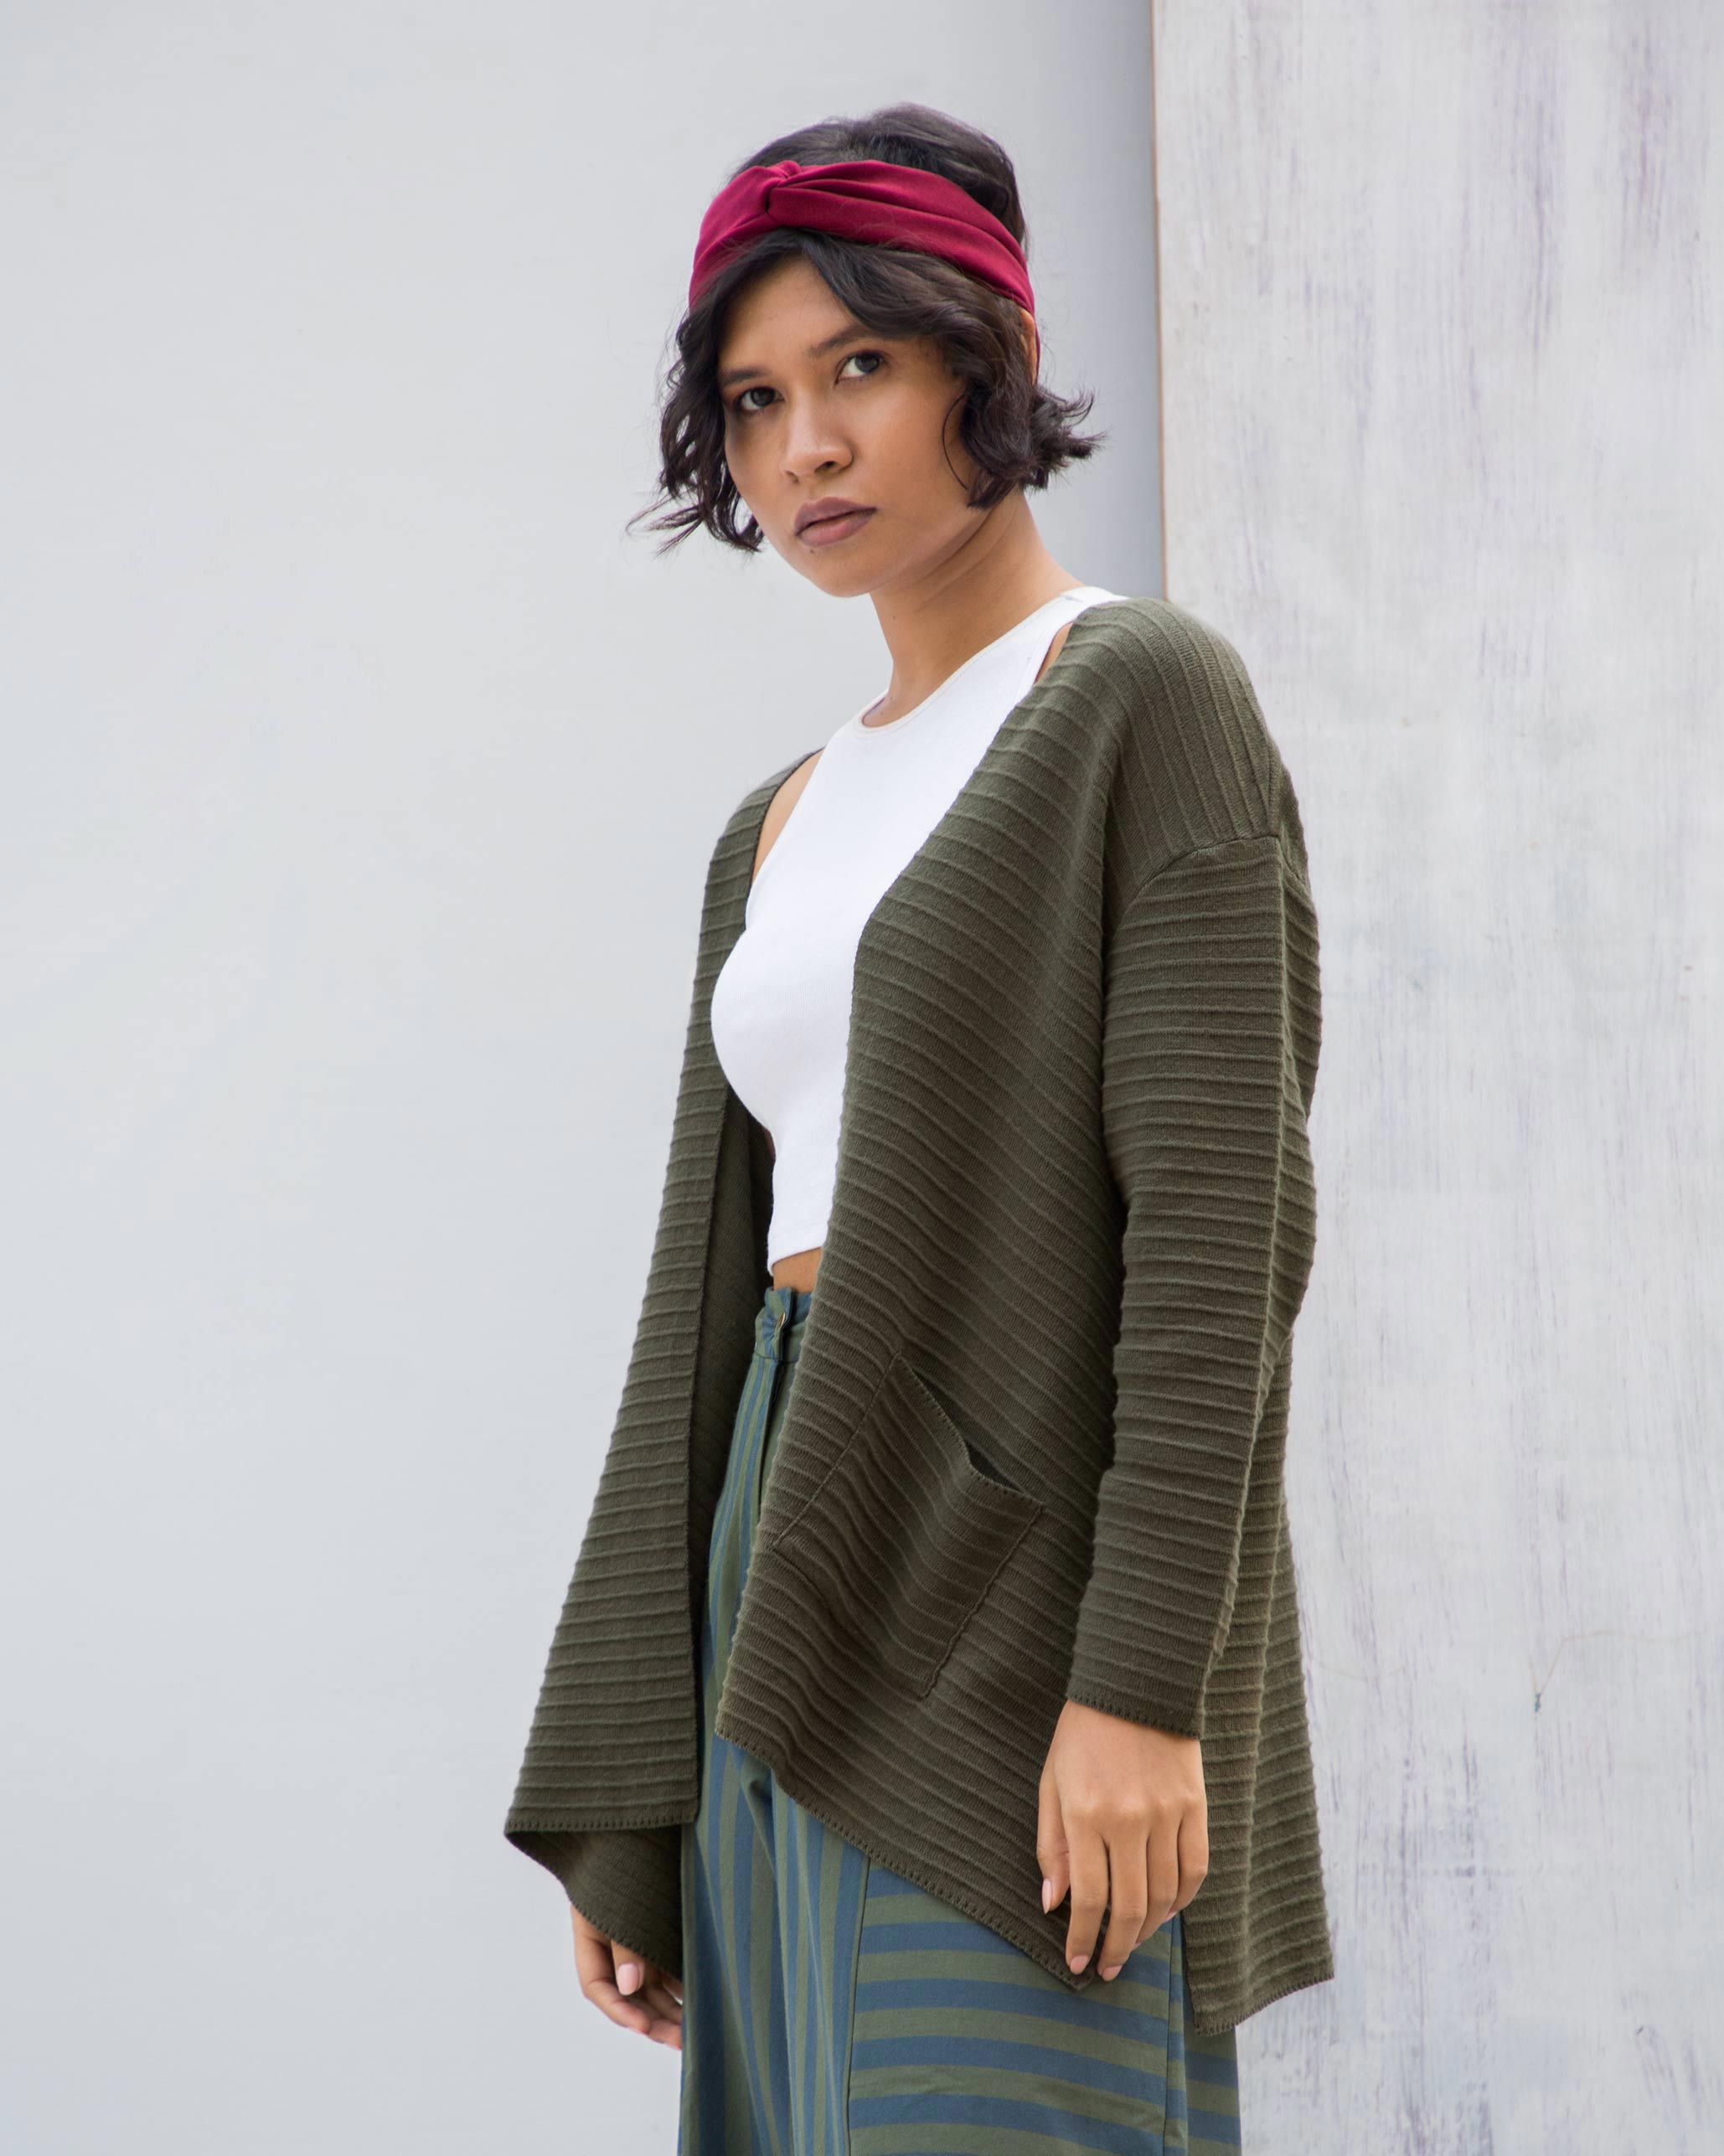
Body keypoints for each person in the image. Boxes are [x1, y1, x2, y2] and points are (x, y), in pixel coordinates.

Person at [505, 101, 1334, 2154]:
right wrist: (631, 1774)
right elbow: (701, 1310)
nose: (806, 446)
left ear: (993, 356)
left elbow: (1217, 1243)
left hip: (1016, 1611)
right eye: (754, 398)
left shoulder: (1138, 697)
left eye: (860, 366)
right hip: (778, 1567)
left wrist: (1140, 1687)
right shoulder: (775, 823)